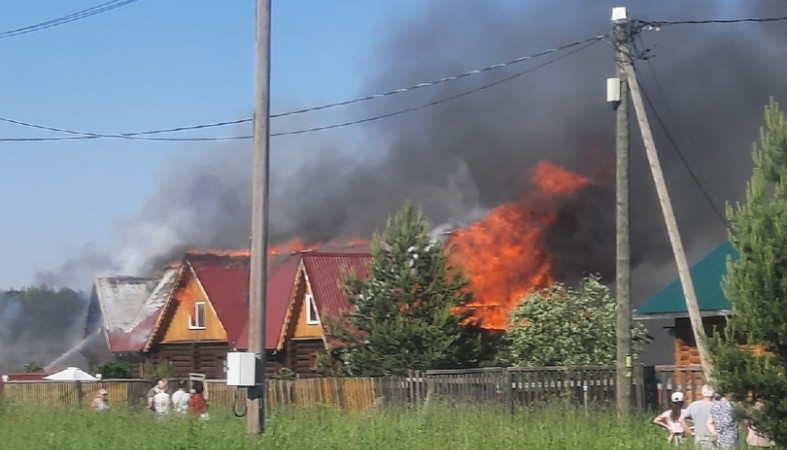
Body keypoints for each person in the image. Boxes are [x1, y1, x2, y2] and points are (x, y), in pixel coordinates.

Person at [686, 384, 716, 448]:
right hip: (711, 438)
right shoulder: (716, 406)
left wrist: (689, 432)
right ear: (713, 394)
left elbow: (681, 418)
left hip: (698, 437)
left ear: (702, 393)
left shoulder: (693, 405)